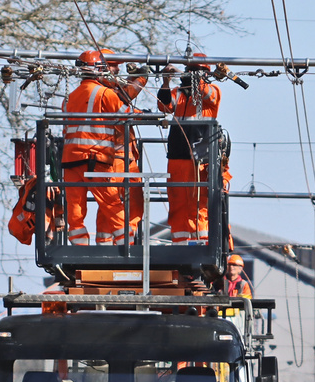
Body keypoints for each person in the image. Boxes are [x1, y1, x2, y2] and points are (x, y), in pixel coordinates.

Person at [61, 49, 145, 246]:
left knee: (75, 208)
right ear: (100, 69)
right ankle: (127, 246)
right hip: (95, 159)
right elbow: (127, 115)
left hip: (70, 160)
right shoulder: (104, 93)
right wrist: (145, 114)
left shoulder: (69, 97)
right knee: (112, 203)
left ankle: (79, 247)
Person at [157, 53, 231, 244]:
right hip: (178, 156)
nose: (192, 74)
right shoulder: (179, 93)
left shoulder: (213, 91)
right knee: (178, 200)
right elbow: (163, 106)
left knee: (200, 202)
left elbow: (207, 93)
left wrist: (194, 78)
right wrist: (166, 81)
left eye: (197, 71)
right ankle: (180, 244)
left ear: (205, 74)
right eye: (191, 70)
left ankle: (202, 242)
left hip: (202, 157)